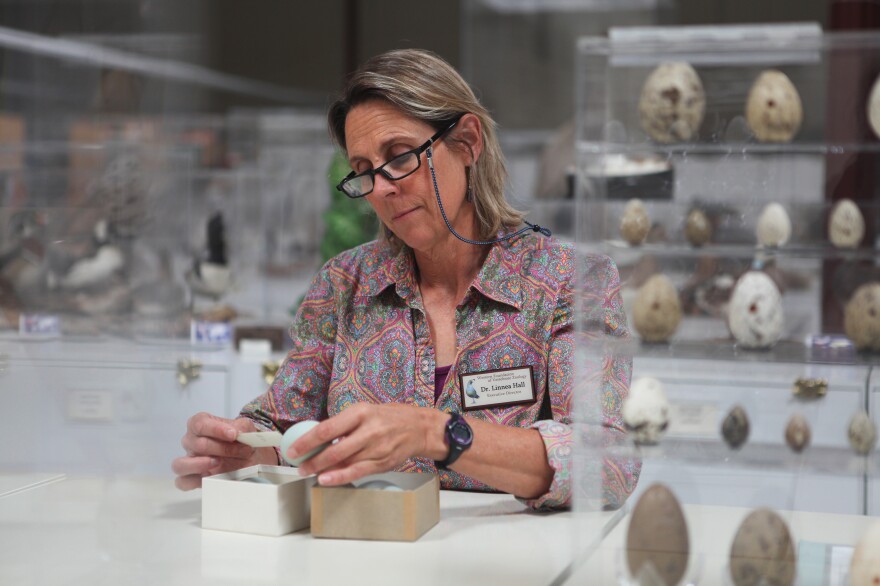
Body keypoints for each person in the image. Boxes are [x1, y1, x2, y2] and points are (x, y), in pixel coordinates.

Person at [173, 49, 639, 510]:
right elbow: (282, 428)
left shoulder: (569, 283)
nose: (381, 187)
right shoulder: (343, 284)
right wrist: (237, 448)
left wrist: (435, 432)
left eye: (399, 157)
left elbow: (608, 465)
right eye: (363, 172)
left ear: (467, 142)